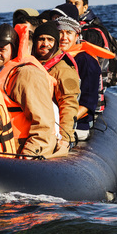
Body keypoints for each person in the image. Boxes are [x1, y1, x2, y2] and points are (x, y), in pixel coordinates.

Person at [0, 23, 61, 158]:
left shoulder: (26, 74)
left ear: (14, 49)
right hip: (7, 148)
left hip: (26, 149)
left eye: (2, 49)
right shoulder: (0, 71)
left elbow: (44, 123)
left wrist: (30, 153)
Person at [57, 16, 110, 141]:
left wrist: (62, 125)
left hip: (77, 126)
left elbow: (87, 103)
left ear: (76, 36)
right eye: (60, 32)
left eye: (69, 33)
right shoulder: (54, 58)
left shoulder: (86, 61)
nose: (64, 37)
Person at [32, 21, 80, 154]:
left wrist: (65, 139)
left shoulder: (64, 70)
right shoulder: (31, 63)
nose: (45, 44)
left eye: (50, 40)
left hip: (54, 133)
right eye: (41, 39)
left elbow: (69, 105)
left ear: (56, 43)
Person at [66, 0, 117, 87]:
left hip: (94, 80)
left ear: (85, 7)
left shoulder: (92, 31)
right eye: (69, 3)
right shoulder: (73, 26)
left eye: (76, 4)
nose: (72, 7)